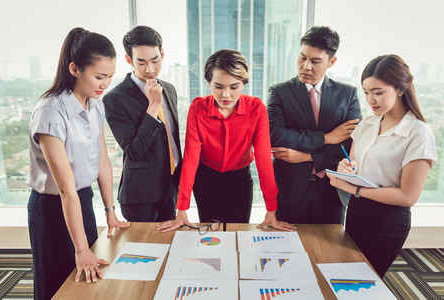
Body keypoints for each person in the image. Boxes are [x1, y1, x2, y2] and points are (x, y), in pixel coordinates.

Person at [27, 27, 129, 300]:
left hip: (81, 201)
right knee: (56, 286)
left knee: (86, 283)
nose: (105, 84)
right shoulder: (50, 111)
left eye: (109, 77)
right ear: (74, 69)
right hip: (51, 208)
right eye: (99, 77)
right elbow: (64, 189)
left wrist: (110, 212)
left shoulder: (96, 104)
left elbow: (102, 162)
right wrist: (81, 249)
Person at [158, 49, 295, 232]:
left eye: (234, 86)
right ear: (209, 82)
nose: (226, 95)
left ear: (244, 83)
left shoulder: (256, 108)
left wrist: (271, 208)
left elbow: (263, 160)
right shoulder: (197, 108)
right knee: (210, 238)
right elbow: (191, 158)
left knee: (238, 235)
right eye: (219, 86)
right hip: (205, 181)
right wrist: (182, 208)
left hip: (239, 182)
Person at [328, 54, 437, 278]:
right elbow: (354, 165)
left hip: (388, 221)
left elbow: (408, 196)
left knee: (365, 282)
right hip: (357, 212)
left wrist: (354, 189)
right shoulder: (367, 123)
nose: (370, 100)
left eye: (378, 92)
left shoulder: (418, 133)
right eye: (366, 93)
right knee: (346, 276)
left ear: (400, 89)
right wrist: (345, 168)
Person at [267, 26, 362, 224]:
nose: (306, 66)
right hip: (290, 190)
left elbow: (350, 144)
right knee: (287, 250)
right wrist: (327, 138)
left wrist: (307, 156)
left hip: (332, 190)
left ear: (331, 62)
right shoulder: (279, 92)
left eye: (315, 61)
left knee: (329, 252)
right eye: (302, 58)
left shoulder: (348, 94)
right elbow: (274, 135)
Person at [103, 26, 182, 222]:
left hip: (170, 188)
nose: (150, 69)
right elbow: (135, 151)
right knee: (142, 251)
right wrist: (153, 105)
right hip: (140, 194)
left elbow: (171, 139)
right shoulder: (115, 99)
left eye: (155, 60)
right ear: (129, 60)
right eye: (141, 62)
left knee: (170, 247)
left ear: (162, 54)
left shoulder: (169, 89)